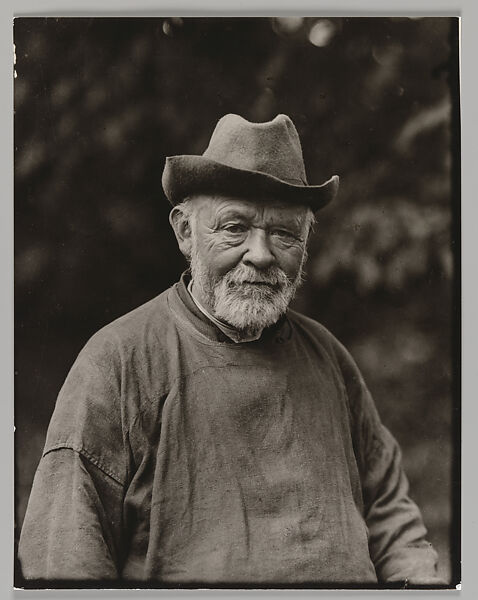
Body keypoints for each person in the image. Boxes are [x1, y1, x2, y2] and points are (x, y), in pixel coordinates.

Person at [18, 113, 441, 586]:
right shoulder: (118, 362)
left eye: (283, 234)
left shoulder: (328, 357)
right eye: (235, 227)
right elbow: (65, 557)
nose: (261, 254)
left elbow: (391, 516)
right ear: (185, 231)